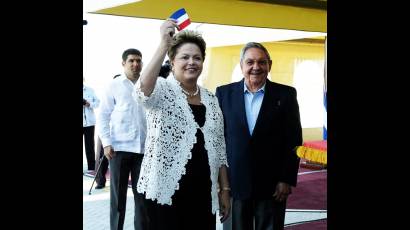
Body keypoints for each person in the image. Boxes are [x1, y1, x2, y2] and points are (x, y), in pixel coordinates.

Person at [133, 19, 230, 230]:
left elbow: (219, 149)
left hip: (203, 194)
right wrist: (163, 45)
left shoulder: (211, 99)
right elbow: (142, 93)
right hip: (165, 194)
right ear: (173, 61)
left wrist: (224, 189)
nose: (191, 62)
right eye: (184, 57)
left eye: (197, 57)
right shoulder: (161, 89)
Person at [215, 42, 302, 230]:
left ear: (270, 65)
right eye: (250, 62)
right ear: (241, 66)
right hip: (235, 184)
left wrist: (286, 179)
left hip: (272, 186)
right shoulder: (223, 94)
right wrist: (222, 184)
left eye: (262, 62)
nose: (256, 67)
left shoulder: (286, 94)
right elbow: (218, 140)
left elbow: (294, 140)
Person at [97, 49, 149, 230]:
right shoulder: (114, 85)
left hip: (143, 151)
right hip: (118, 149)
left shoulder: (148, 83)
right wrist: (107, 143)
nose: (136, 64)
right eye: (132, 61)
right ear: (123, 63)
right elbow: (103, 115)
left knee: (143, 199)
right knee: (118, 199)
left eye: (139, 61)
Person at [95, 74, 121, 190]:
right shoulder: (108, 93)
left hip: (119, 133)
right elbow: (102, 115)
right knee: (101, 157)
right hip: (105, 131)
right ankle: (100, 181)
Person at [83, 78, 100, 171]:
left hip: (89, 123)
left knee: (90, 145)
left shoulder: (90, 90)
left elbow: (98, 103)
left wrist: (88, 104)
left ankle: (91, 168)